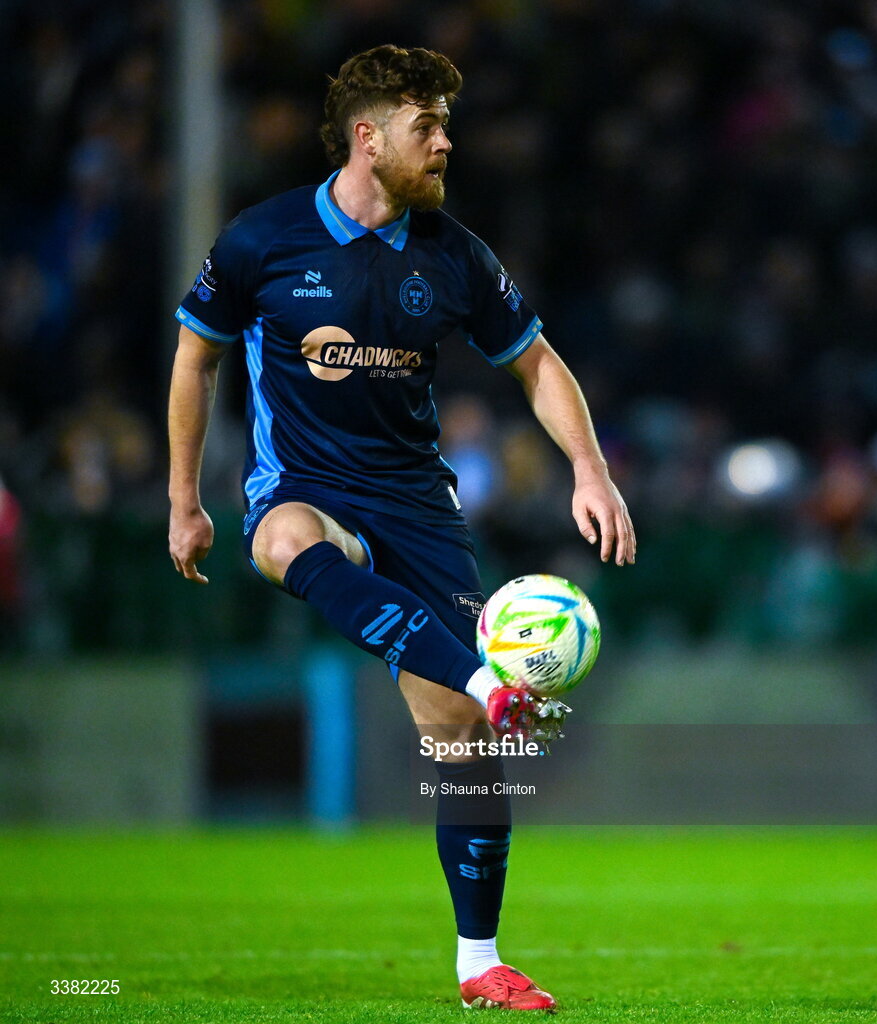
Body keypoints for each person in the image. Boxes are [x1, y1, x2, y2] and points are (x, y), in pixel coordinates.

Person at [168, 44, 636, 1012]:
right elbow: (194, 359)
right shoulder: (263, 240)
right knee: (284, 540)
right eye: (429, 127)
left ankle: (480, 964)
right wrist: (183, 496)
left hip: (419, 507)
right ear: (367, 137)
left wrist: (590, 469)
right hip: (303, 484)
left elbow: (536, 363)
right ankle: (483, 674)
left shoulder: (454, 253)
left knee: (461, 739)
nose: (447, 144)